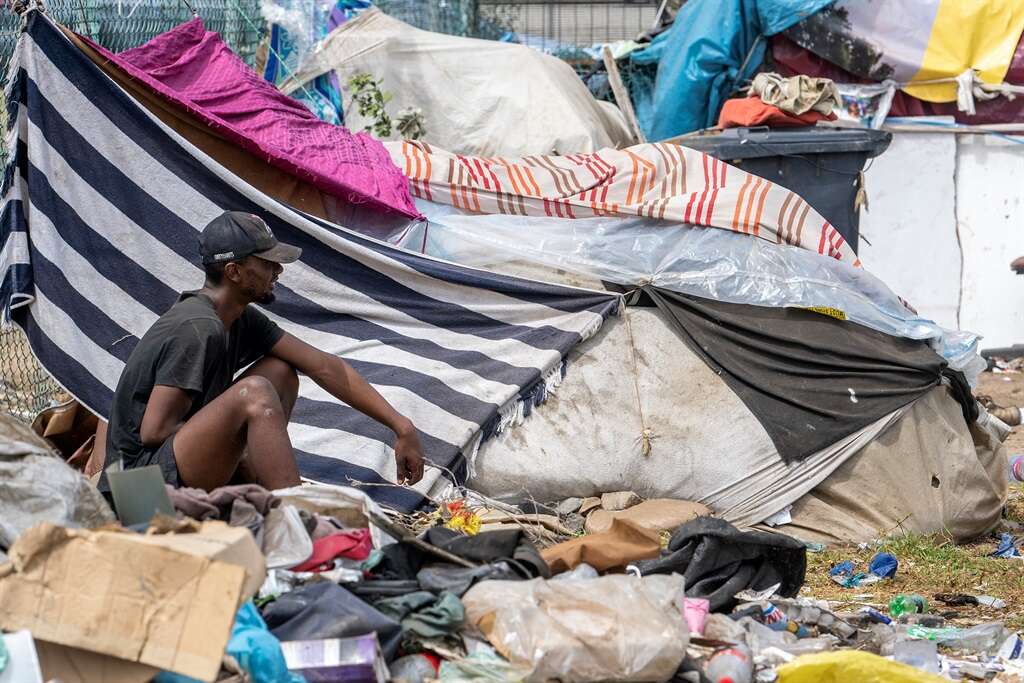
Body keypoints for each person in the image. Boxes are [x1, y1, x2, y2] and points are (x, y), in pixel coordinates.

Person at [98, 211, 425, 493]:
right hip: (136, 492)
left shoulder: (239, 318)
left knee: (279, 372)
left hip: (169, 469)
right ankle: (295, 518)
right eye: (268, 264)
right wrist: (241, 453)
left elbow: (325, 367)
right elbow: (154, 430)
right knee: (253, 393)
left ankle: (268, 495)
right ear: (234, 272)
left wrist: (402, 426)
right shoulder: (197, 327)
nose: (277, 272)